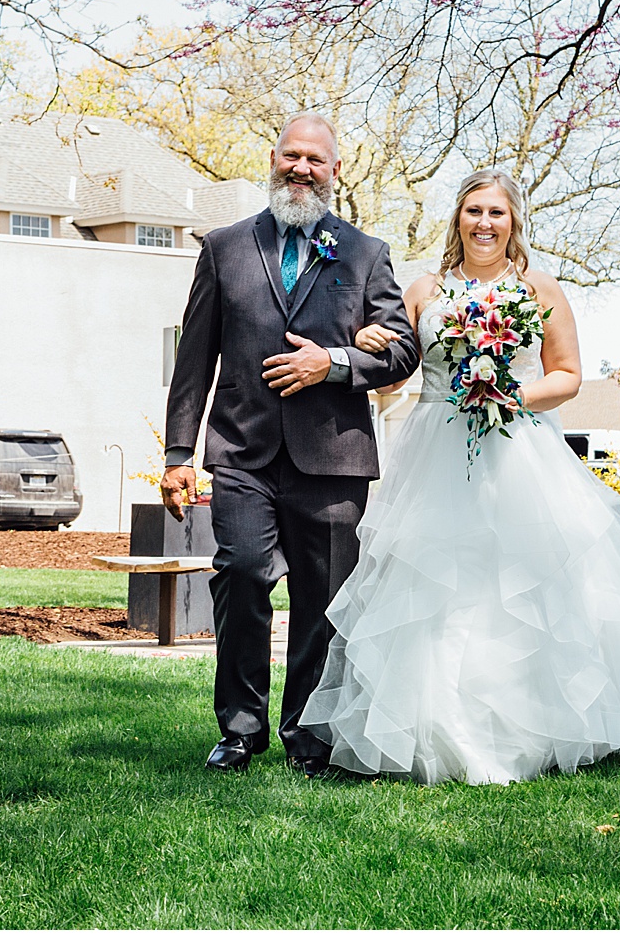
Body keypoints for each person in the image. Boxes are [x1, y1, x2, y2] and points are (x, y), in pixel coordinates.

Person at [299, 169, 620, 785]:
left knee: (519, 586)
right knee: (435, 589)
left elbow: (568, 374)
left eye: (496, 213)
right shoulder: (423, 290)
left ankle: (534, 728)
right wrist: (368, 340)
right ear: (458, 219)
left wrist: (510, 391)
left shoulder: (539, 288)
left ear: (514, 222)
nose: (484, 223)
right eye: (473, 211)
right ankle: (433, 730)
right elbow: (394, 377)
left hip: (516, 450)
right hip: (435, 450)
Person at [162, 113, 420, 776]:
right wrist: (176, 456)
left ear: (336, 172)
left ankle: (308, 734)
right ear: (272, 158)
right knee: (243, 573)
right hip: (242, 453)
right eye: (291, 155)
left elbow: (401, 350)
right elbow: (194, 361)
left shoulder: (366, 254)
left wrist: (331, 363)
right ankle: (241, 730)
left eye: (316, 159)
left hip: (333, 459)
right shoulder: (223, 247)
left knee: (322, 598)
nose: (301, 168)